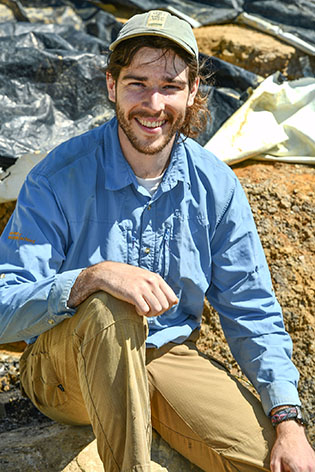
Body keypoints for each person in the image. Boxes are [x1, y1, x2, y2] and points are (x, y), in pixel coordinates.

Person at [0, 9, 314, 472]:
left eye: (169, 86)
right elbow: (5, 307)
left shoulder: (216, 186)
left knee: (275, 462)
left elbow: (252, 311)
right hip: (64, 369)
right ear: (111, 86)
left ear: (191, 93)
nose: (153, 103)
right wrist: (90, 278)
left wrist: (288, 420)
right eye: (137, 84)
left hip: (163, 354)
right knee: (112, 304)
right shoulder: (57, 177)